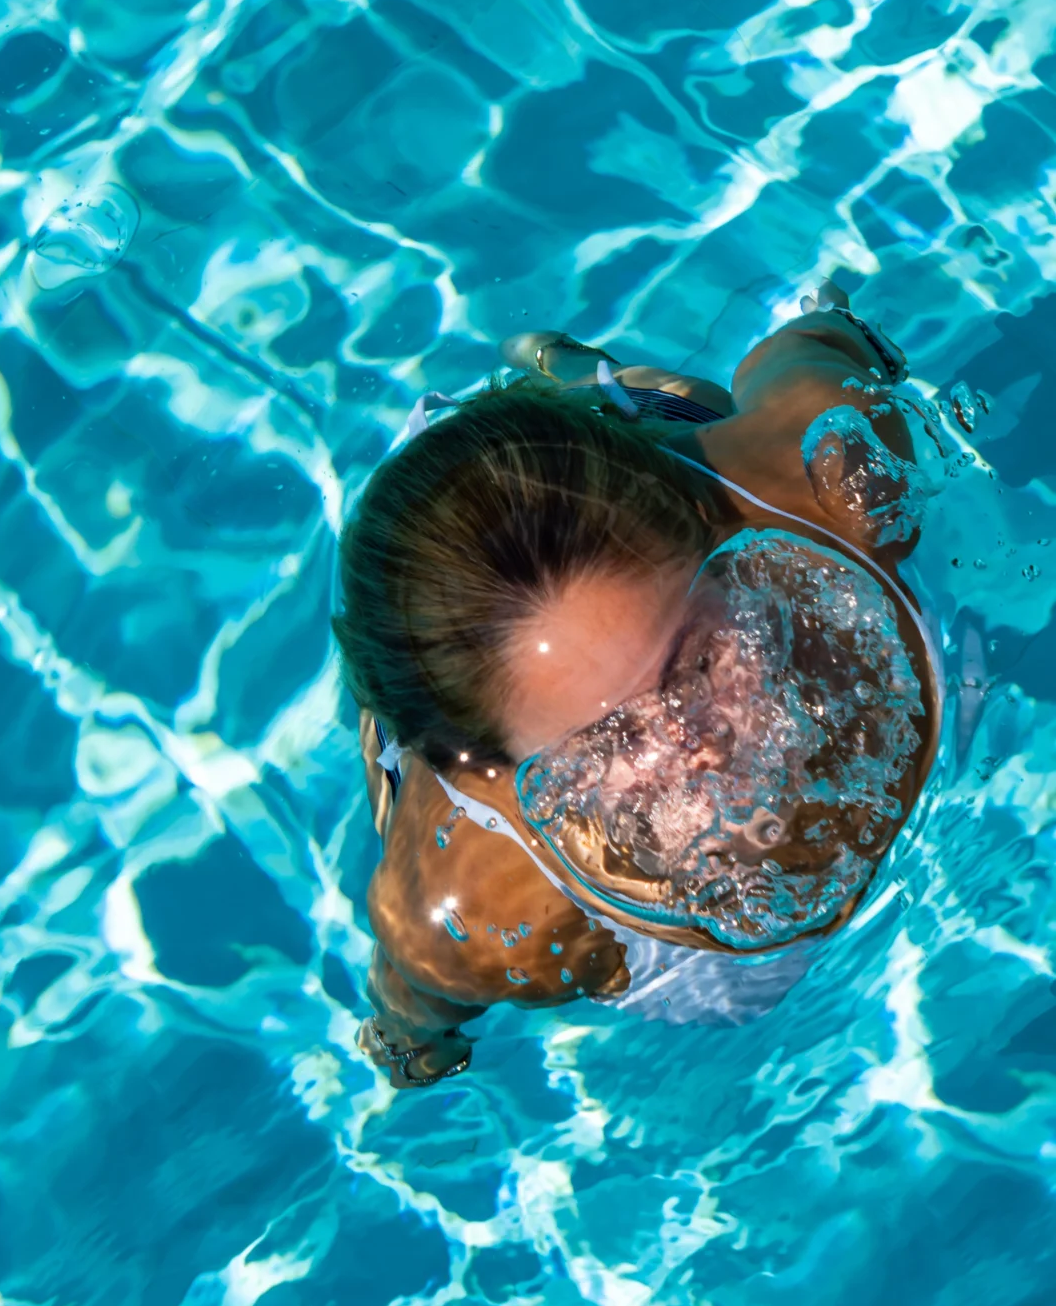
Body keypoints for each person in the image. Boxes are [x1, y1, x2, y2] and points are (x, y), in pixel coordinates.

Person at [336, 284, 945, 1085]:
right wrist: (410, 1053)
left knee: (675, 404)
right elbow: (410, 1011)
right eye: (612, 736)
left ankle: (584, 386)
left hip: (640, 460)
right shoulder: (482, 913)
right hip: (457, 647)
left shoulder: (834, 483)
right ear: (488, 772)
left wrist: (839, 328)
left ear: (715, 526)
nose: (696, 742)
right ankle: (567, 382)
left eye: (696, 659)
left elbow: (820, 345)